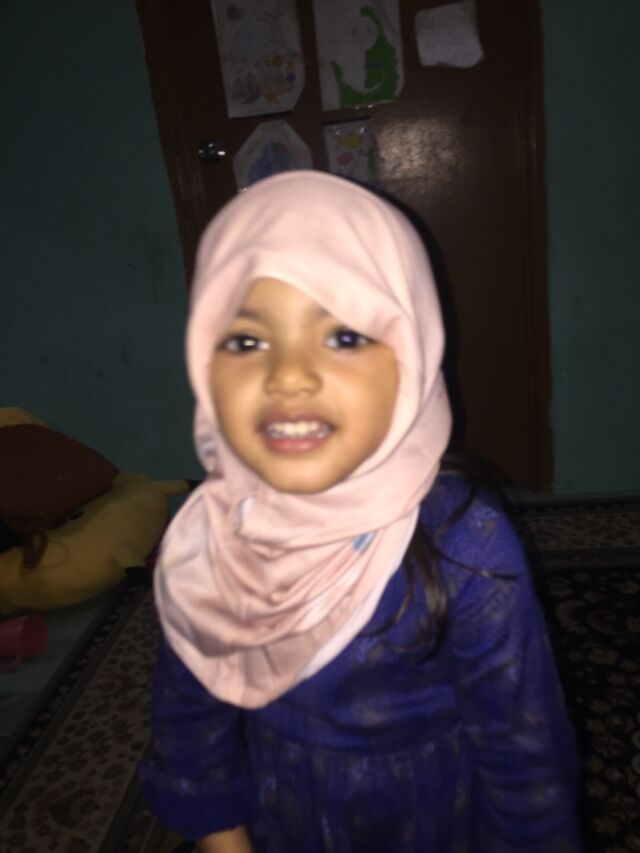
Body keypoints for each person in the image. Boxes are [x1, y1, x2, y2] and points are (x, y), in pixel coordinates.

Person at [138, 171, 580, 852]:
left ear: (412, 355)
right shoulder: (206, 542)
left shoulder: (468, 541)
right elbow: (190, 726)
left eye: (344, 336)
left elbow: (525, 758)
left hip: (436, 817)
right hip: (284, 813)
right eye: (247, 341)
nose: (289, 376)